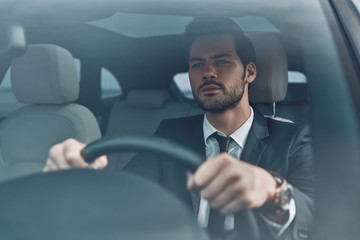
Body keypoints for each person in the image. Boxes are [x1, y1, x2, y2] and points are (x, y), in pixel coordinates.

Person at [44, 17, 314, 240]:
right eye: (197, 64)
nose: (207, 72)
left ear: (250, 72)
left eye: (221, 61)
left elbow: (313, 214)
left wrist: (272, 190)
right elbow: (127, 192)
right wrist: (84, 176)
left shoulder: (293, 139)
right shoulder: (170, 133)